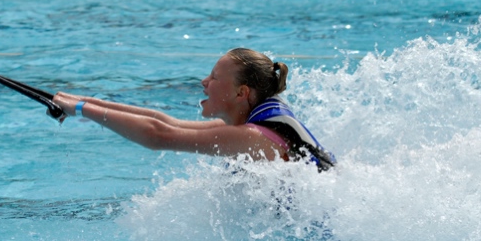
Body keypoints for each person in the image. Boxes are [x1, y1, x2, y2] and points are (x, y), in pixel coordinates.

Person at [52, 48, 336, 171]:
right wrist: (82, 101)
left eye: (214, 77)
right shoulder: (257, 122)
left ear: (241, 93)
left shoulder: (255, 137)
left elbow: (158, 135)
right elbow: (165, 121)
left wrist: (80, 108)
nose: (204, 82)